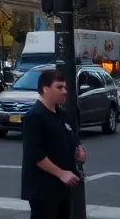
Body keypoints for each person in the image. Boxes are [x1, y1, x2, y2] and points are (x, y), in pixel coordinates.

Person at [21, 68, 88, 219]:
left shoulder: (61, 114)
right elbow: (36, 155)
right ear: (45, 89)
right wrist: (62, 173)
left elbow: (73, 140)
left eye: (65, 87)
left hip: (62, 188)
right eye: (59, 87)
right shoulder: (34, 117)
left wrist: (79, 152)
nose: (64, 91)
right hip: (43, 189)